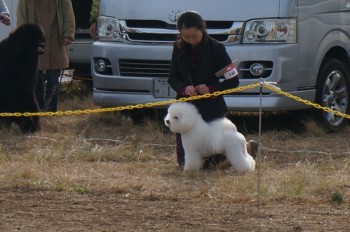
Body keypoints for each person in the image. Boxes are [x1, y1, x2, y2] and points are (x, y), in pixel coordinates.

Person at [168, 11, 258, 170]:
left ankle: (244, 148)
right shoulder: (178, 47)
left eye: (194, 36)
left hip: (210, 110)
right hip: (185, 110)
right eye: (185, 37)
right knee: (184, 164)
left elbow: (233, 80)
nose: (190, 40)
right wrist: (183, 88)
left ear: (203, 28)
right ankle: (242, 150)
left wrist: (211, 89)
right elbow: (172, 78)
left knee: (211, 163)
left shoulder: (217, 49)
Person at [17, 0, 76, 112]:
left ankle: (51, 111)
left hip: (55, 38)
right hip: (34, 40)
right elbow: (22, 16)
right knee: (36, 76)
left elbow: (68, 11)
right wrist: (23, 37)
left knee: (53, 76)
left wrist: (68, 33)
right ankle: (38, 110)